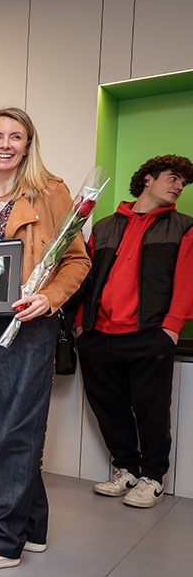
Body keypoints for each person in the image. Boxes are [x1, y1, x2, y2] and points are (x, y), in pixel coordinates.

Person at [0, 107, 90, 571]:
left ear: (28, 145)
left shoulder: (50, 192)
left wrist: (49, 298)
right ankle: (31, 525)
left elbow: (76, 260)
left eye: (15, 136)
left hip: (28, 322)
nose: (5, 144)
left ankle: (3, 538)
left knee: (17, 426)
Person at [75, 154, 193, 508]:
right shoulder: (104, 227)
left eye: (183, 183)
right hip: (97, 335)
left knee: (151, 411)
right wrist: (80, 324)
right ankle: (126, 469)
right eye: (173, 178)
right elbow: (84, 278)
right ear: (148, 179)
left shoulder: (184, 227)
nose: (179, 187)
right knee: (108, 409)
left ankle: (153, 477)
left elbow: (186, 281)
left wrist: (171, 328)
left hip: (150, 334)